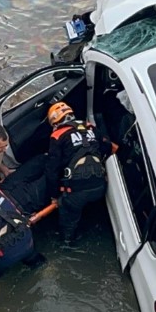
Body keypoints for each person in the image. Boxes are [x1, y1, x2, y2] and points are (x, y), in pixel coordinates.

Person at [44, 101, 108, 245]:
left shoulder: (57, 136)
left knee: (68, 216)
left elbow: (52, 171)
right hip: (100, 187)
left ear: (55, 122)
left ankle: (67, 242)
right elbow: (106, 147)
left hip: (76, 192)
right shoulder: (90, 127)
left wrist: (53, 196)